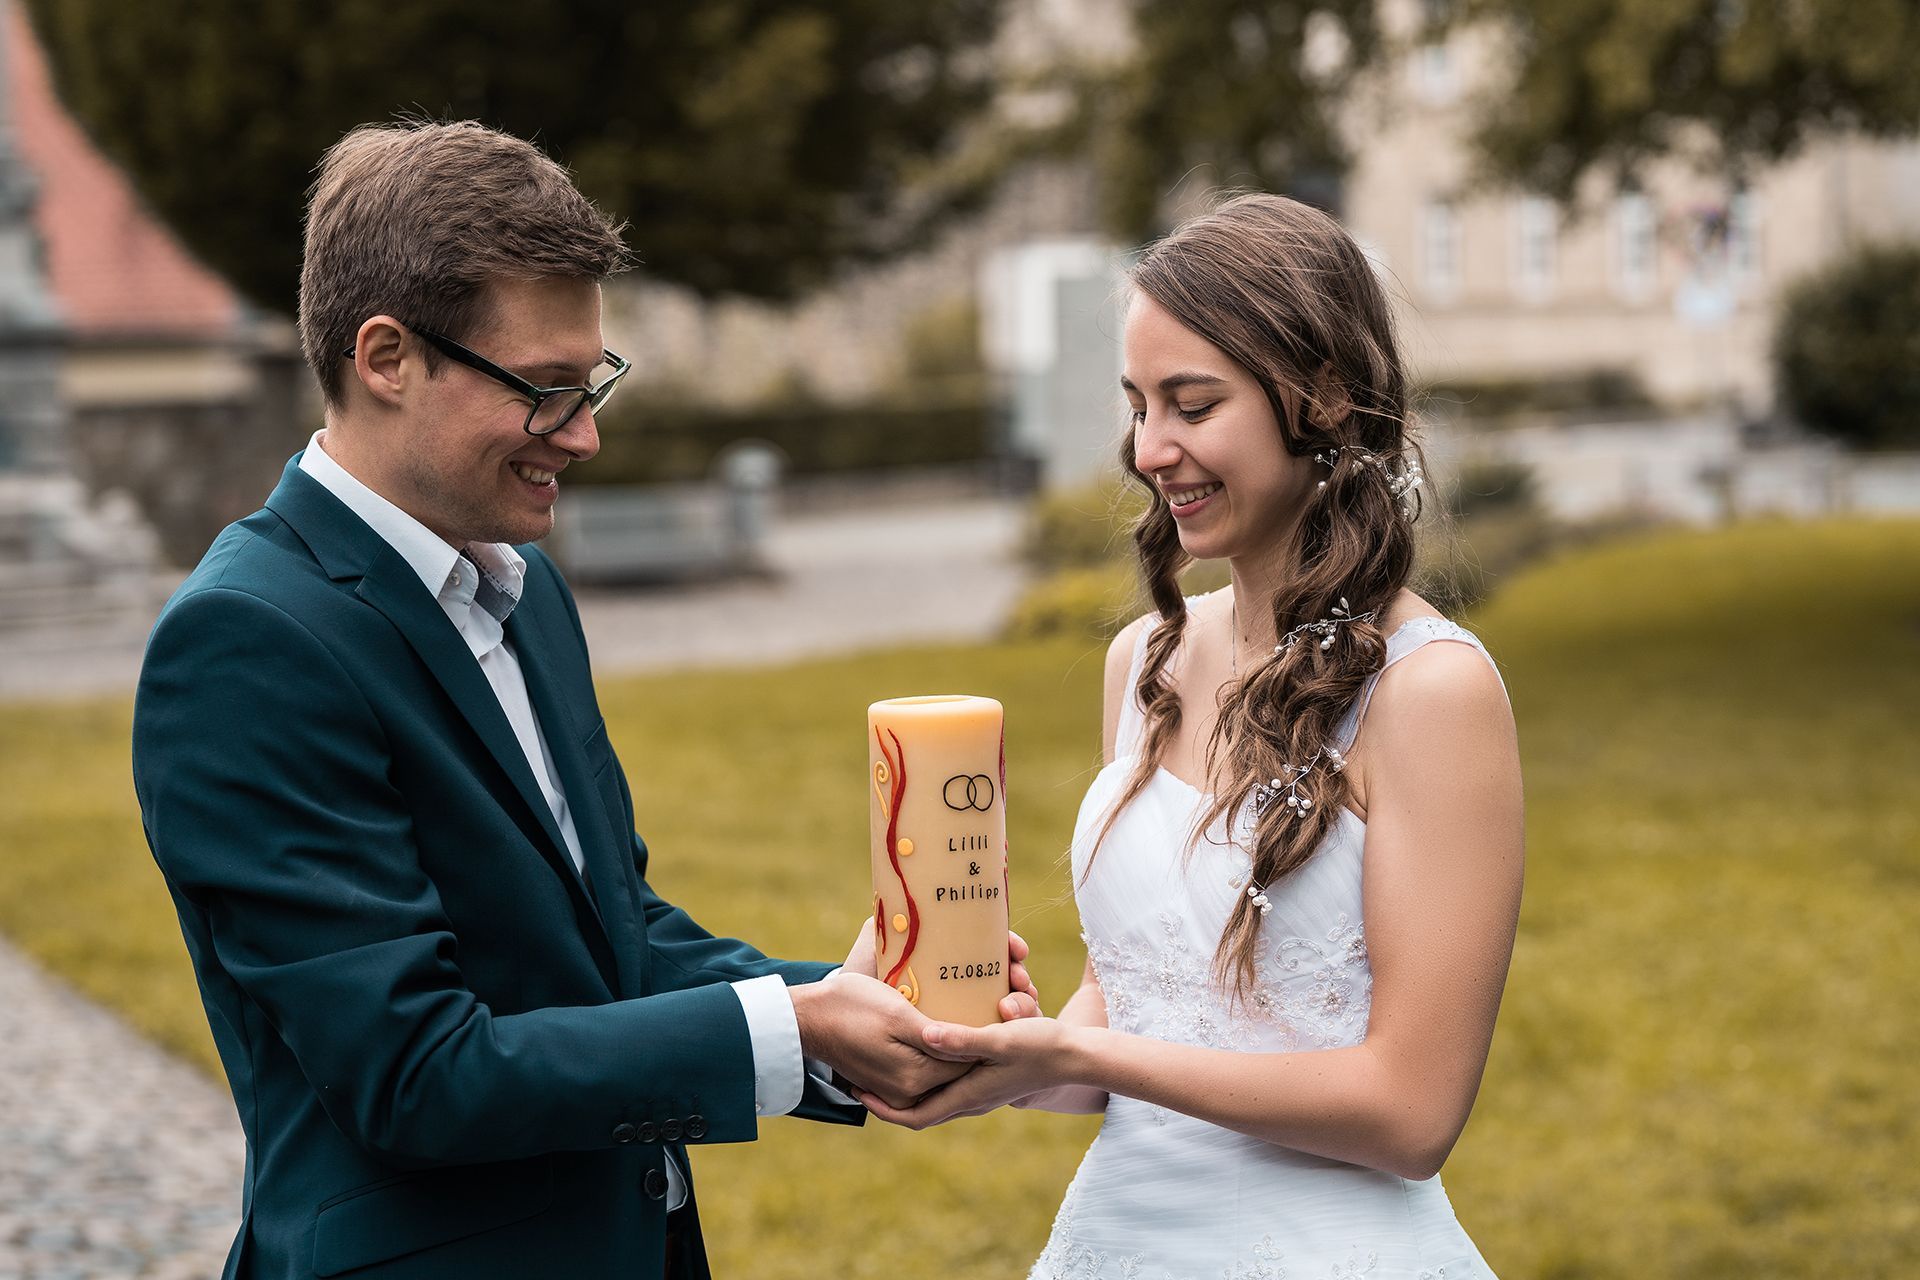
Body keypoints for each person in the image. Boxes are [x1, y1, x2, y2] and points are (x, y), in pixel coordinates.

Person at [130, 119, 1034, 1280]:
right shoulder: (248, 641)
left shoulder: (524, 589)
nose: (587, 434)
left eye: (593, 383)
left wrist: (849, 1005)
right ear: (387, 357)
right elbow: (413, 1074)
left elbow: (615, 938)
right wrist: (790, 1025)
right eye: (548, 390)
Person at [856, 194, 1525, 1278]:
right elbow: (1127, 1006)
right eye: (1137, 406)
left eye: (1193, 404)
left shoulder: (1430, 690)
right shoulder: (1146, 664)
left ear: (1324, 396)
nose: (1151, 449)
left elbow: (1412, 1112)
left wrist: (1086, 1052)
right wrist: (1000, 1052)